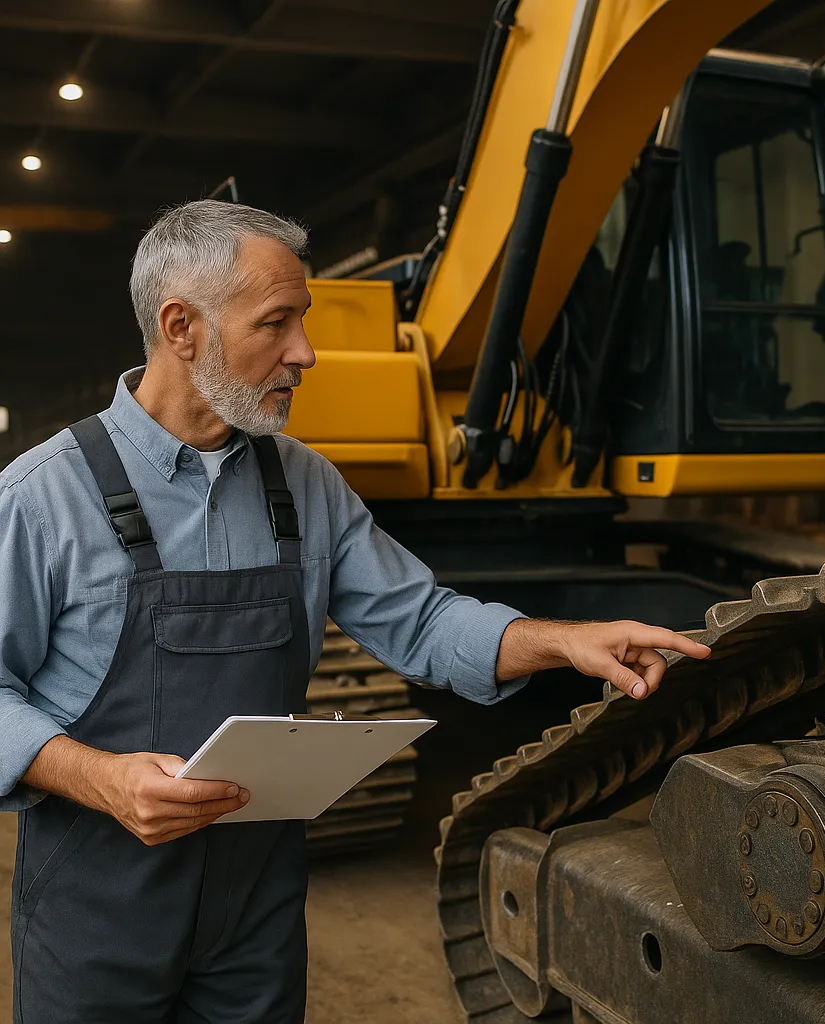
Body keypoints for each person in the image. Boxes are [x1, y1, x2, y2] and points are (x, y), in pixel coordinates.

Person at [0, 200, 711, 1022]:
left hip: (257, 898)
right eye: (278, 323)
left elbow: (423, 622)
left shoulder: (304, 484)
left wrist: (565, 642)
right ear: (180, 325)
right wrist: (100, 776)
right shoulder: (43, 496)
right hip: (100, 896)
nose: (305, 353)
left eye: (302, 321)